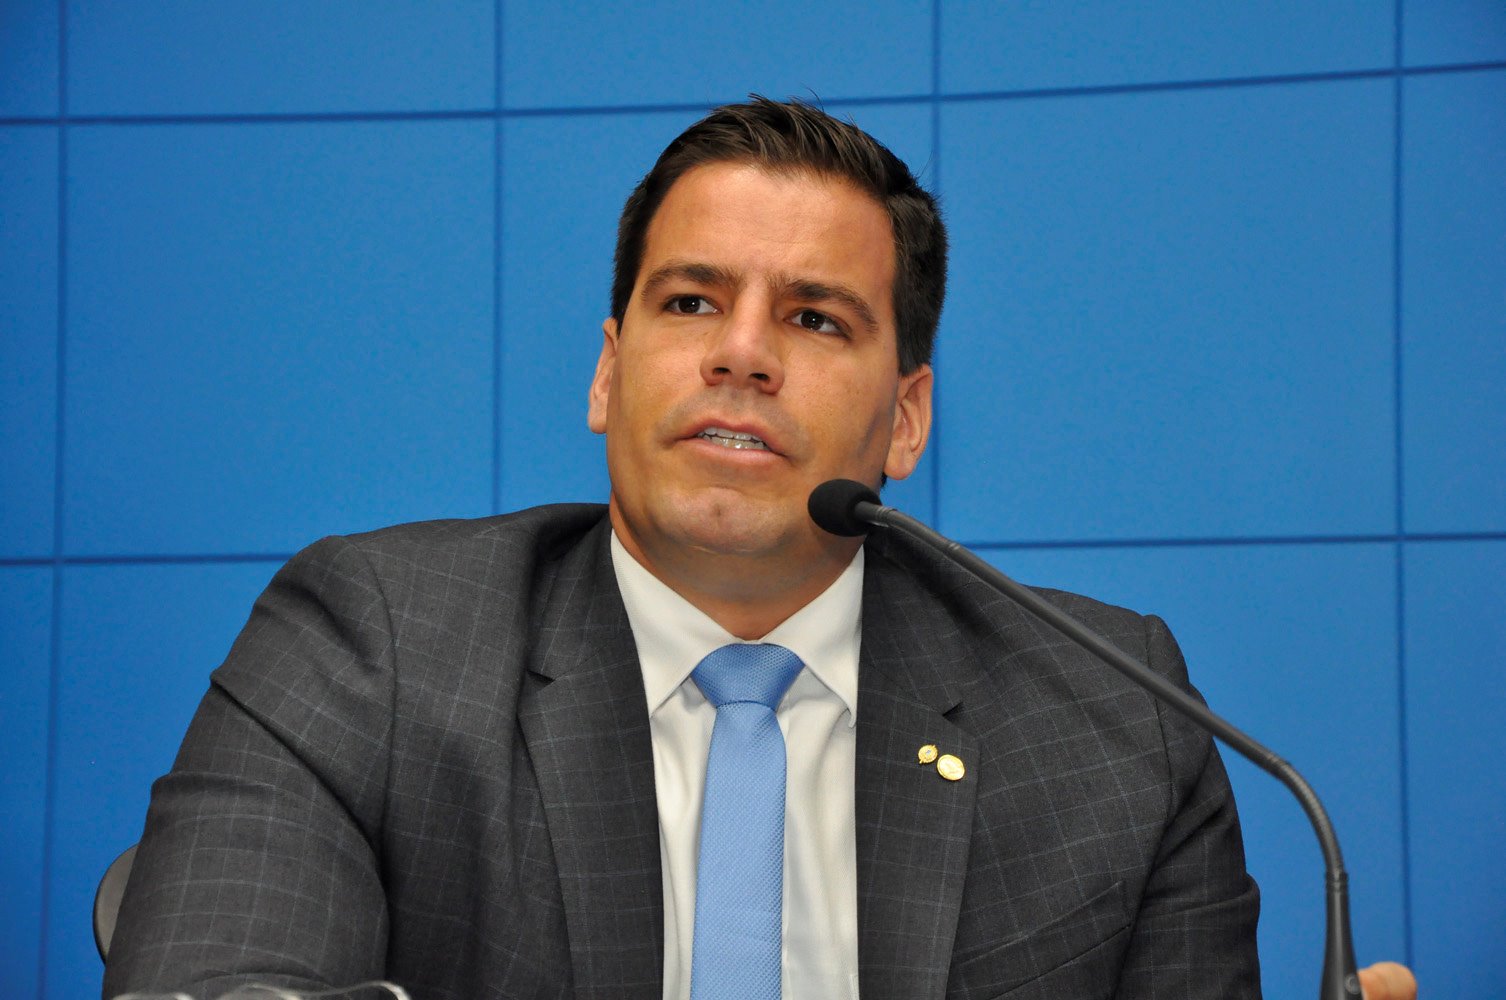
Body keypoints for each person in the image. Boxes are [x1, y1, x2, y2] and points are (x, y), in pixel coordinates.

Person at [104, 98, 1415, 1000]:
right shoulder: (374, 644)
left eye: (815, 319)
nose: (741, 352)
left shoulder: (1112, 715)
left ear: (906, 419)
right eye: (690, 301)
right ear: (609, 371)